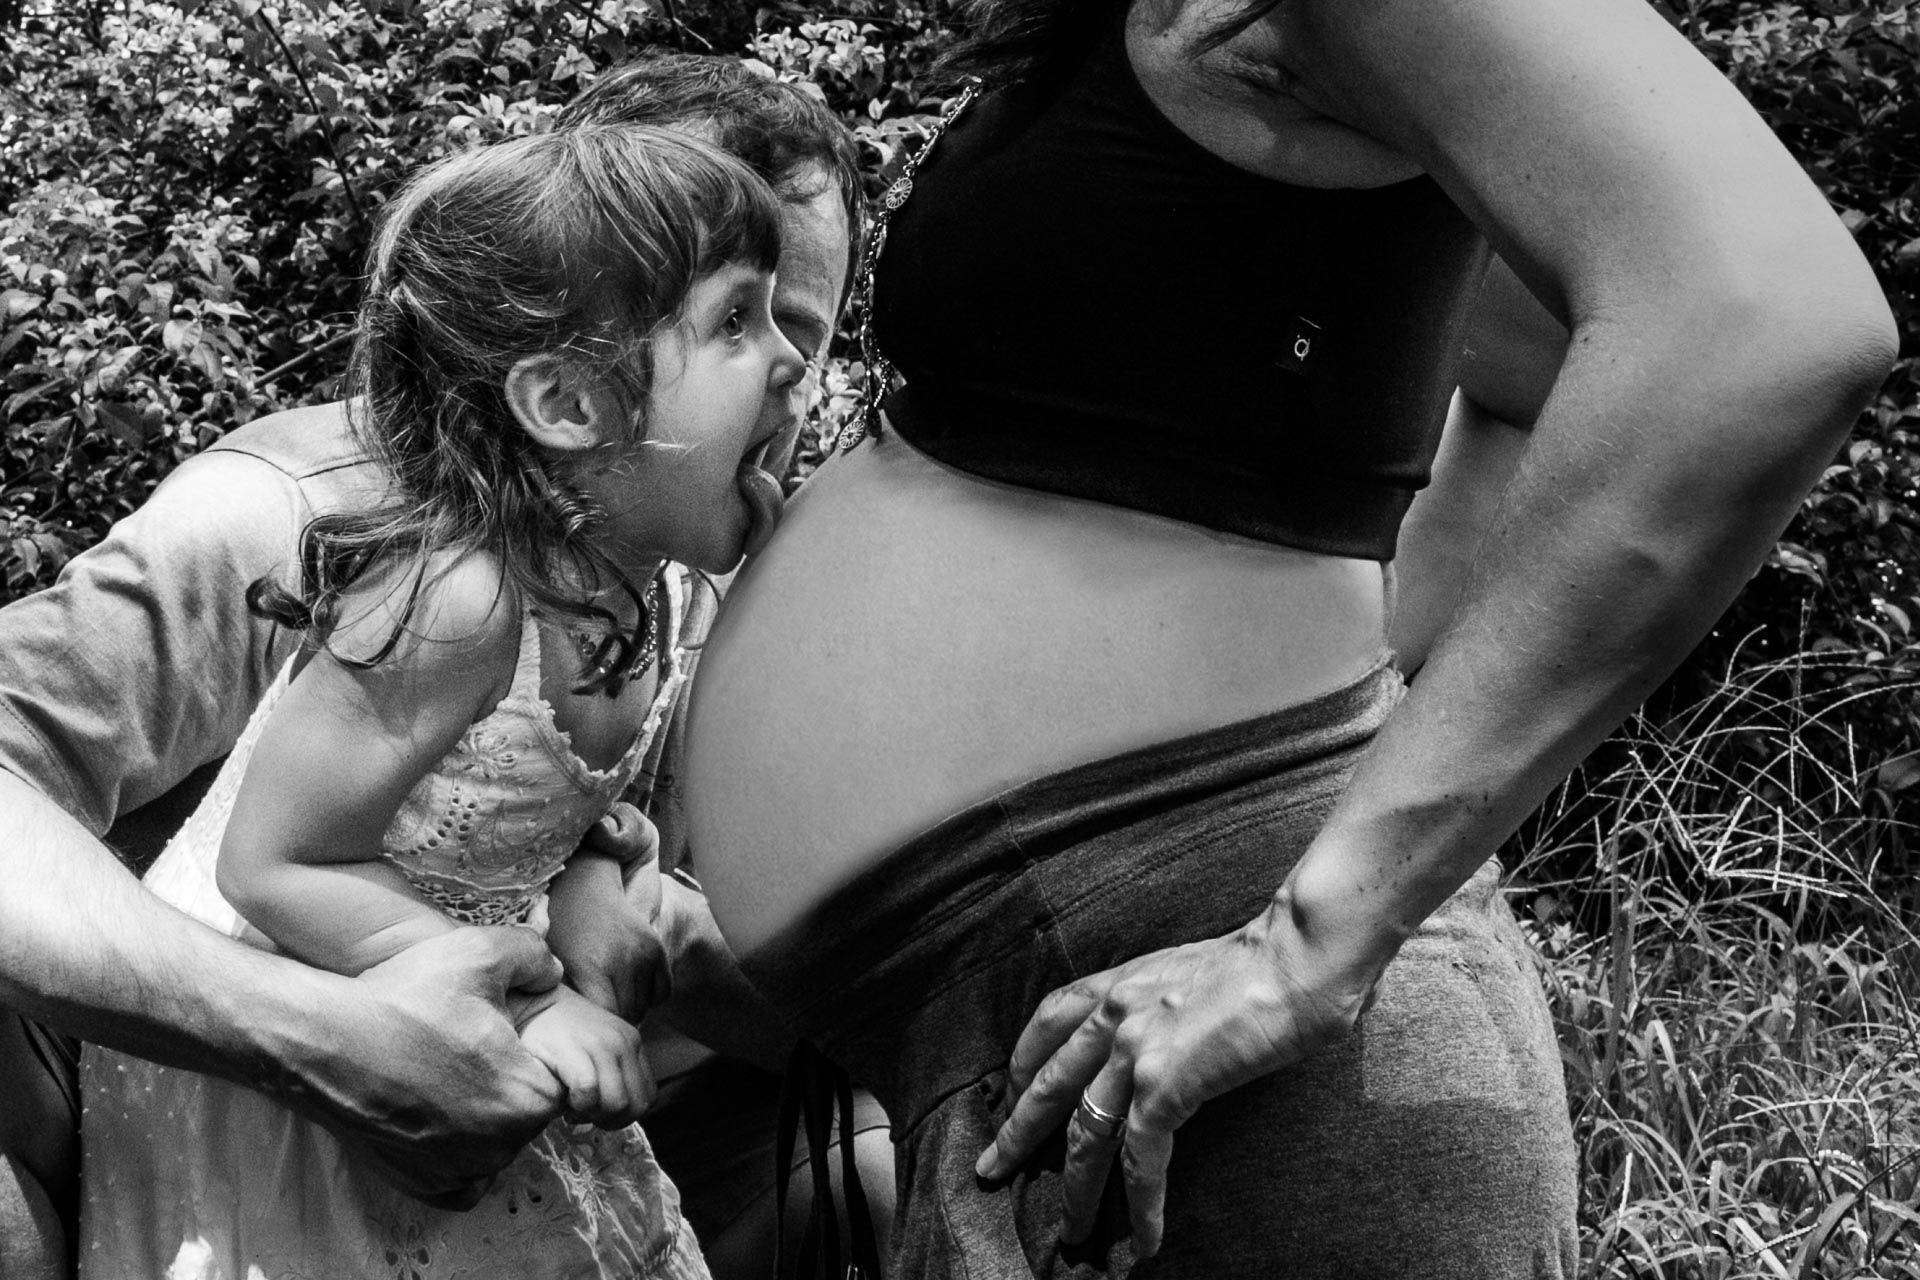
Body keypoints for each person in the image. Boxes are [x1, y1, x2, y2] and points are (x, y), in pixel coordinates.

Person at [681, 0, 1899, 1277]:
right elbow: (1524, 375)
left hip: (1234, 1060)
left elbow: (1766, 322)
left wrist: (1308, 941)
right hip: (1056, 1026)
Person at [0, 54, 881, 1280]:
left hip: (595, 1104)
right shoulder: (320, 530)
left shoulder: (690, 555)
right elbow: (252, 853)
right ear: (567, 377)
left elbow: (800, 983)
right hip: (265, 1107)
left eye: (806, 323)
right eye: (737, 317)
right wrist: (323, 1037)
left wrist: (628, 906)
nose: (789, 373)